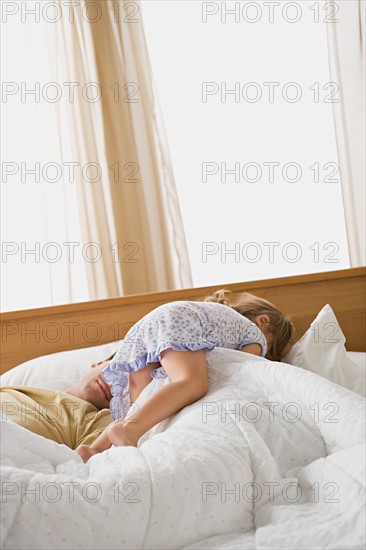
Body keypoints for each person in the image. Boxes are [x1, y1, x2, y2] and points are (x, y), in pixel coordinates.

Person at [76, 290, 293, 462]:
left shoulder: (218, 318)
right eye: (269, 348)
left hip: (145, 329)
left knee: (140, 406)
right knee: (192, 383)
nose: (264, 353)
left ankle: (94, 449)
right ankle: (129, 431)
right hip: (175, 321)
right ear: (263, 322)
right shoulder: (254, 334)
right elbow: (239, 365)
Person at [0, 357, 115, 449]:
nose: (111, 385)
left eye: (126, 387)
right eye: (116, 370)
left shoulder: (105, 423)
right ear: (99, 363)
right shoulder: (17, 391)